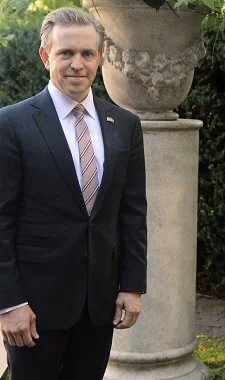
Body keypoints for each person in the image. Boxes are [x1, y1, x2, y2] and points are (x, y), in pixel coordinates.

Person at [0, 7, 147, 379]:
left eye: (87, 53)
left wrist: (132, 286)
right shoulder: (12, 124)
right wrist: (9, 303)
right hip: (33, 309)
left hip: (98, 306)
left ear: (100, 57)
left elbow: (132, 213)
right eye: (66, 53)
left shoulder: (124, 126)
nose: (77, 65)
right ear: (46, 56)